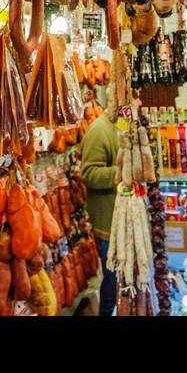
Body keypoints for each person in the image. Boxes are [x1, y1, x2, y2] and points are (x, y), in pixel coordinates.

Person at [79, 108, 120, 316]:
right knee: (111, 285)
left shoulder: (119, 127)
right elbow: (88, 173)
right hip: (106, 224)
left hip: (118, 221)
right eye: (136, 97)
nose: (139, 102)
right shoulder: (99, 130)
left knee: (117, 284)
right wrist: (121, 172)